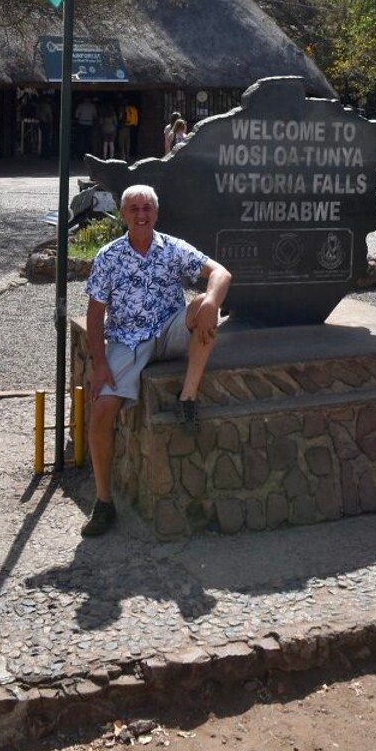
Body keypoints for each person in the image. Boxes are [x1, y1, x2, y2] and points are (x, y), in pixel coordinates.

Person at [82, 183, 232, 538]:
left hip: (168, 330)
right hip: (127, 341)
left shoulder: (173, 248)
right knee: (102, 409)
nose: (141, 214)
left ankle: (188, 397)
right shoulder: (109, 256)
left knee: (205, 309)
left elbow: (221, 273)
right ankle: (104, 501)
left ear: (156, 213)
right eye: (133, 208)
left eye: (147, 208)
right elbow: (94, 314)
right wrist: (100, 364)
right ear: (123, 215)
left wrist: (210, 301)